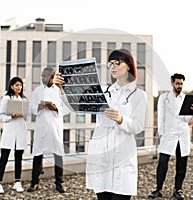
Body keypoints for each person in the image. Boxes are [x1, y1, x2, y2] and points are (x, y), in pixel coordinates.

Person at [54, 48, 147, 200]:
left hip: (122, 154)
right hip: (101, 153)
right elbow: (75, 106)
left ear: (129, 65)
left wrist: (120, 119)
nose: (113, 67)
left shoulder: (139, 95)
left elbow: (137, 126)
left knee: (121, 194)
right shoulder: (104, 91)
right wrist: (62, 90)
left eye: (117, 63)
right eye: (110, 64)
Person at [148, 73, 193, 200]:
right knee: (162, 162)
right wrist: (161, 134)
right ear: (172, 84)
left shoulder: (186, 99)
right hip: (168, 134)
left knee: (181, 163)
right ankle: (158, 189)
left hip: (182, 134)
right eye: (177, 83)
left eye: (181, 83)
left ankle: (178, 190)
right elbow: (161, 117)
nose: (179, 86)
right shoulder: (164, 98)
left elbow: (187, 119)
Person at [27, 67, 70, 193]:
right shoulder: (38, 91)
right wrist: (40, 106)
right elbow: (31, 108)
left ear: (52, 77)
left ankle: (59, 182)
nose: (43, 78)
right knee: (37, 153)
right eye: (42, 76)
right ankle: (34, 182)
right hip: (41, 127)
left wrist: (55, 108)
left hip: (55, 126)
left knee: (58, 154)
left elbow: (67, 108)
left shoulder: (60, 91)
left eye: (46, 76)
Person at [0, 77, 30, 194]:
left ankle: (17, 182)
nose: (19, 87)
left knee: (19, 158)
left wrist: (23, 114)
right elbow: (1, 116)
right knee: (4, 157)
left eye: (20, 85)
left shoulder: (24, 99)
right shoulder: (6, 99)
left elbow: (28, 117)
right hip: (9, 131)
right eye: (16, 85)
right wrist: (11, 116)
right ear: (11, 86)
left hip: (20, 131)